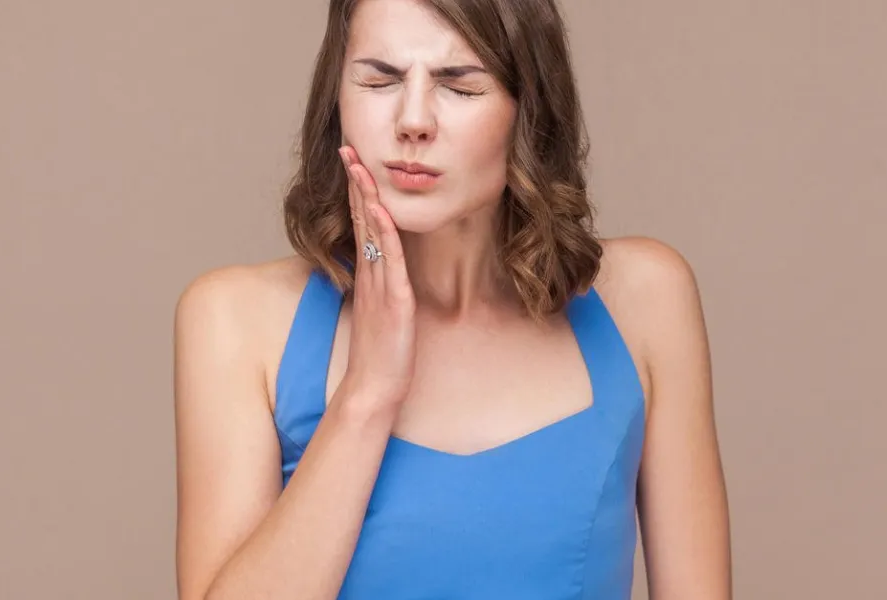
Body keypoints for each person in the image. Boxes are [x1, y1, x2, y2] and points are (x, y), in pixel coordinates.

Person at [173, 0, 732, 597]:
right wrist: (367, 393)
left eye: (460, 87)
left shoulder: (645, 300)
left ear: (530, 109)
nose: (413, 120)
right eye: (379, 81)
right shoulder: (234, 321)